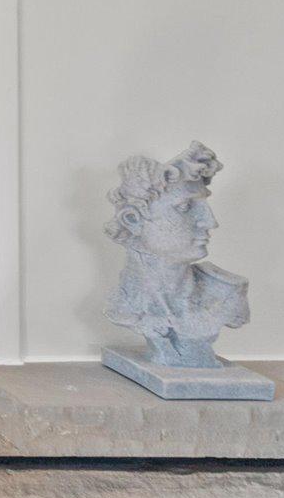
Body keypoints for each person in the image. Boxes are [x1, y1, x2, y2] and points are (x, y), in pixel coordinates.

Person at [103, 141, 249, 367]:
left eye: (204, 206)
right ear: (133, 220)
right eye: (185, 207)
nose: (210, 222)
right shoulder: (124, 305)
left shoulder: (225, 294)